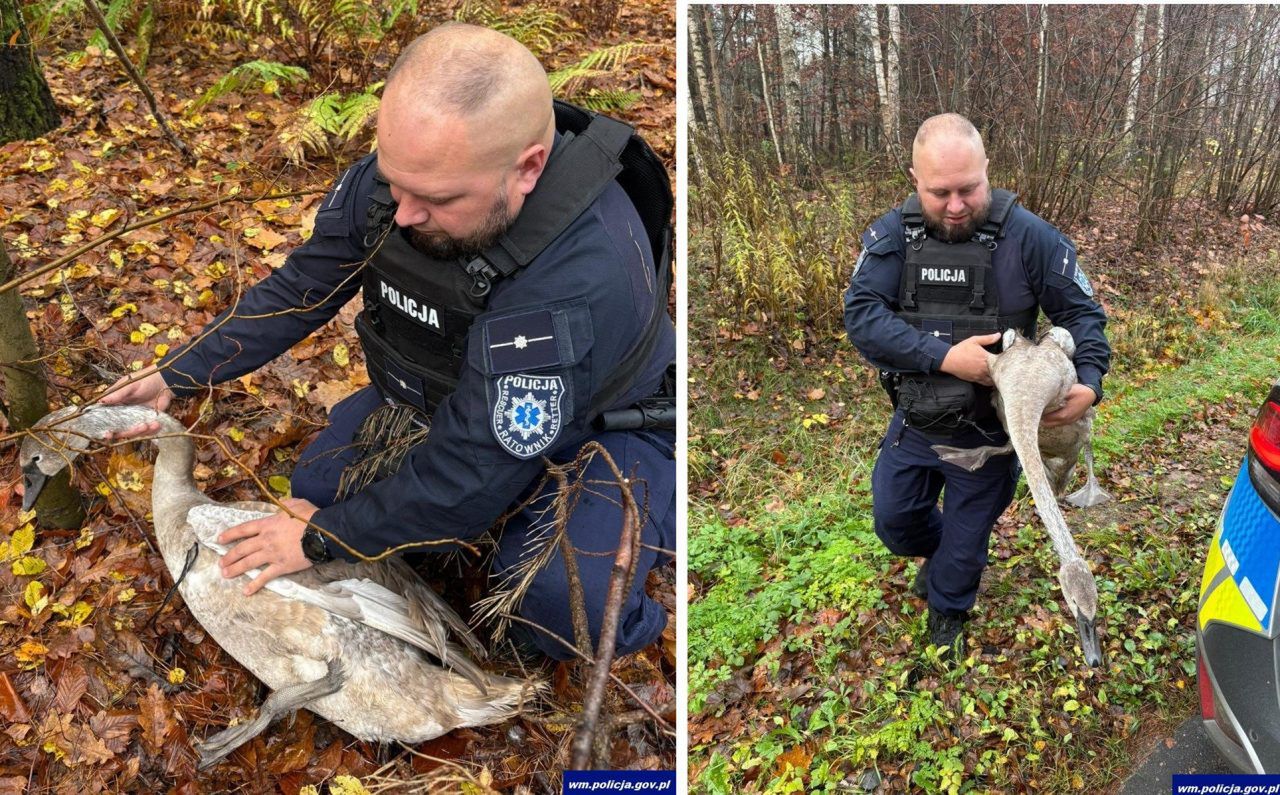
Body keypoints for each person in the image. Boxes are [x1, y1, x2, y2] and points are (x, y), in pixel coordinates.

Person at [101, 23, 676, 661]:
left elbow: (475, 462)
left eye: (434, 198)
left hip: (600, 426)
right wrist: (179, 373)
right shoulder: (405, 181)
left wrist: (323, 541)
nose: (402, 214)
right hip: (446, 393)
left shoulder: (577, 275)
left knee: (556, 611)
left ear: (529, 169)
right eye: (392, 179)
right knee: (314, 487)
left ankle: (646, 576)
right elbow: (303, 287)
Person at [843, 113, 1110, 656]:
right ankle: (939, 559)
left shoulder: (1031, 238)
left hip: (991, 435)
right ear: (914, 179)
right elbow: (862, 316)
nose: (957, 205)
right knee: (894, 524)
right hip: (917, 422)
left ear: (988, 170)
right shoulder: (894, 237)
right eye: (940, 192)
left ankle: (948, 615)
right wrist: (943, 357)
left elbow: (1083, 315)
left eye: (969, 188)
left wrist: (1089, 381)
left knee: (964, 551)